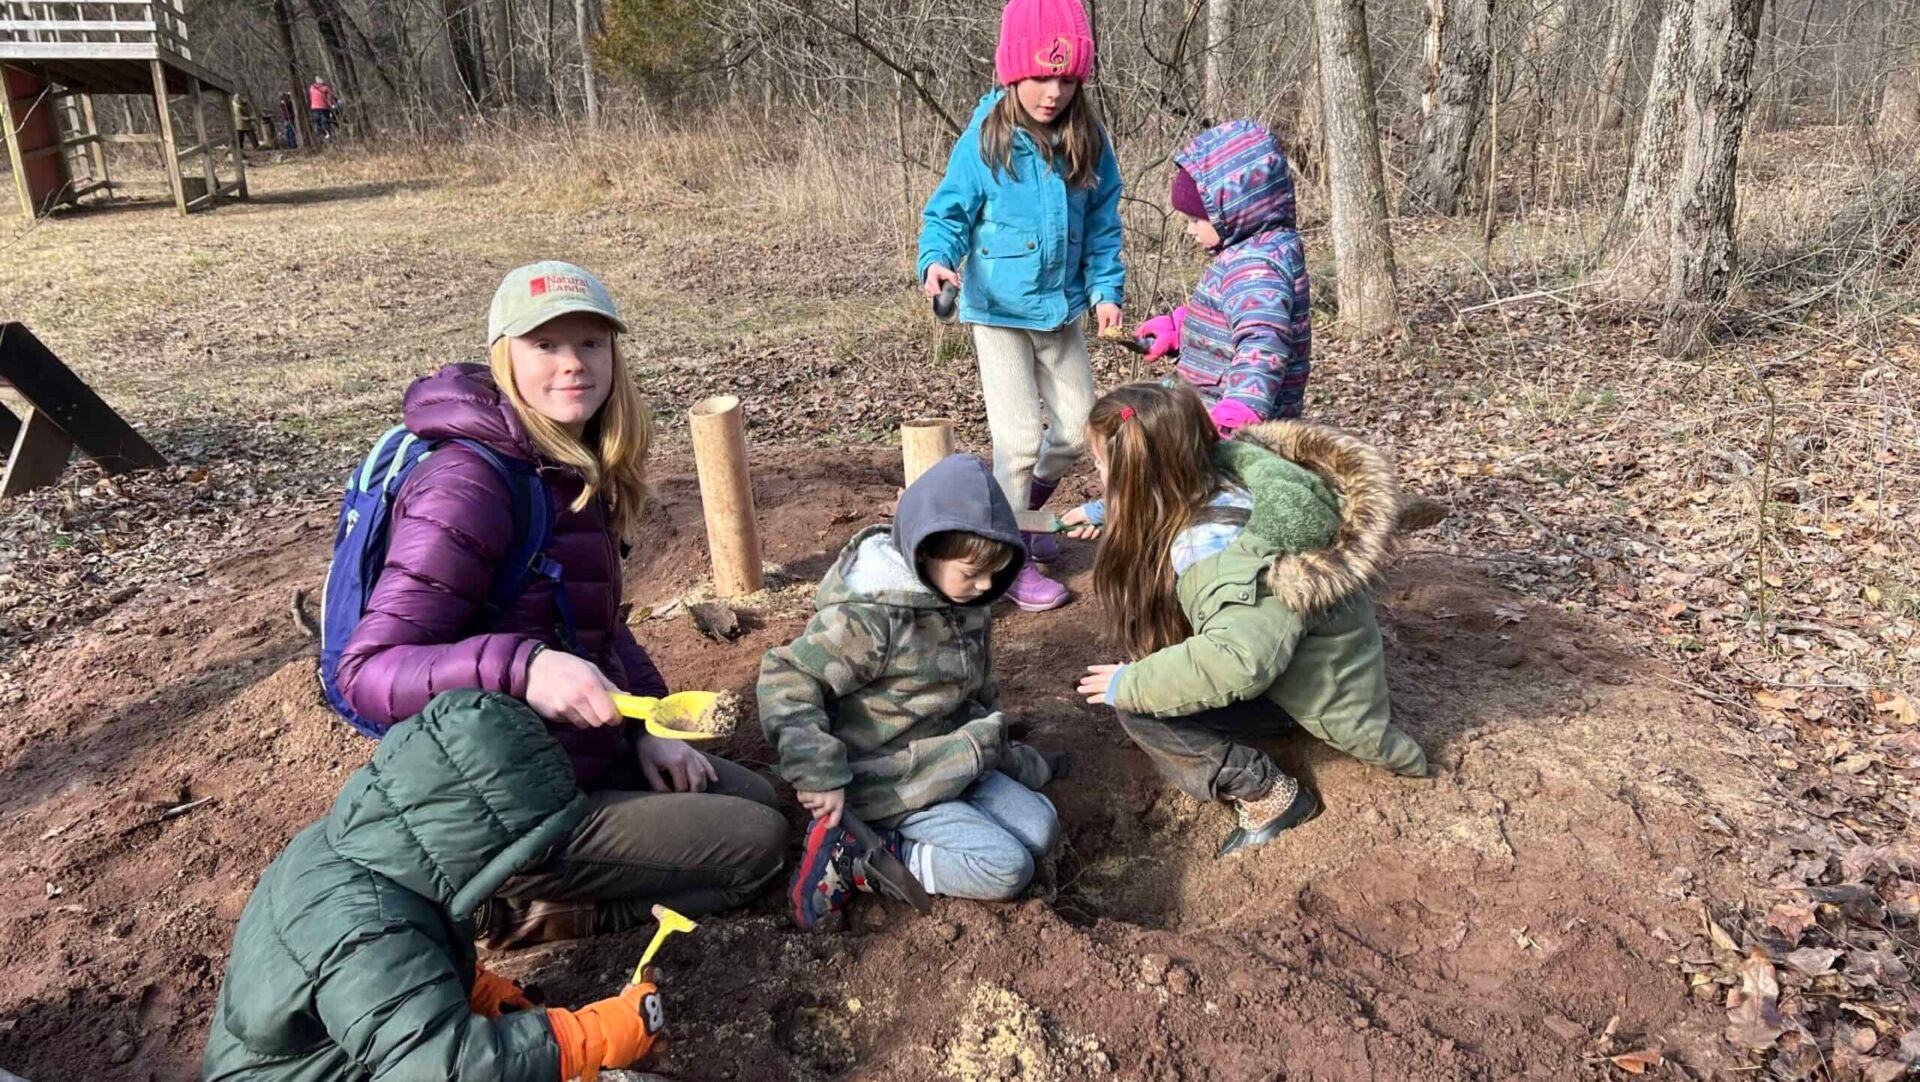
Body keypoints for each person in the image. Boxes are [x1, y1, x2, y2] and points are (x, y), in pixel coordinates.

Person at [334, 261, 787, 948]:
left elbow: (597, 631)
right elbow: (367, 671)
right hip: (495, 804)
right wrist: (524, 669)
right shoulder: (469, 486)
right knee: (761, 844)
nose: (572, 363)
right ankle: (522, 905)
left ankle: (587, 849)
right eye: (545, 345)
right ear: (504, 357)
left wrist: (645, 729)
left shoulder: (564, 460)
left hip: (570, 757)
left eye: (591, 343)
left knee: (762, 799)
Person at [201, 692, 667, 1081]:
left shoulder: (349, 847)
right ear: (476, 832)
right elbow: (444, 1068)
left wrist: (477, 988)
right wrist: (590, 1037)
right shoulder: (368, 932)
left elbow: (387, 975)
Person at [1063, 382, 1428, 858]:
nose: (1097, 474)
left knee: (1139, 705)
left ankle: (1267, 795)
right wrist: (1109, 509)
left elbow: (1239, 660)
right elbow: (1167, 496)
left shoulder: (1210, 549)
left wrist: (1133, 683)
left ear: (1136, 473)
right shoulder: (1224, 472)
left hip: (1303, 691)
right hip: (1306, 662)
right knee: (1159, 668)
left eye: (1101, 466)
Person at [759, 454, 1065, 930]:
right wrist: (817, 770)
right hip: (893, 781)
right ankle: (863, 854)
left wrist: (1021, 760)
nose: (987, 585)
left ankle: (947, 820)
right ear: (926, 552)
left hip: (954, 761)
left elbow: (979, 695)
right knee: (1008, 868)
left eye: (997, 571)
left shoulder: (969, 601)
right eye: (971, 573)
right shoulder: (872, 619)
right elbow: (786, 677)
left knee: (1043, 829)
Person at [916, 0, 1125, 612]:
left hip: (1061, 313)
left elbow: (1105, 224)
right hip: (998, 314)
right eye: (1040, 76)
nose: (1053, 91)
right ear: (1011, 72)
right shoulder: (987, 139)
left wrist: (1106, 291)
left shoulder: (1088, 138)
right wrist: (936, 260)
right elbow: (948, 213)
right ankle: (1008, 556)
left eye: (1066, 78)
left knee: (1077, 428)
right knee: (1017, 442)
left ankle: (1026, 514)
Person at [1132, 121, 1312, 435]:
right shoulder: (1245, 252)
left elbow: (1261, 343)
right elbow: (1231, 319)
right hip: (1211, 411)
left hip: (1231, 430)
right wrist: (1182, 332)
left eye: (1196, 220)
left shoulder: (1257, 267)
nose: (1190, 229)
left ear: (1233, 209)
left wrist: (1238, 412)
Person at [308, 75, 337, 140]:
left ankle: (320, 137)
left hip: (314, 107)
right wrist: (331, 105)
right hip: (324, 107)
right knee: (326, 122)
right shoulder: (326, 88)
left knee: (317, 123)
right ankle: (329, 136)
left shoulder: (311, 88)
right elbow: (330, 98)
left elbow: (311, 97)